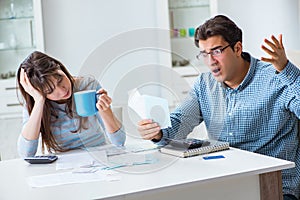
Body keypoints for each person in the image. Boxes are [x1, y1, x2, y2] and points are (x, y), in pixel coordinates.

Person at [138, 15, 300, 200]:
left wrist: (286, 69)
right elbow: (179, 122)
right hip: (225, 182)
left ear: (237, 48)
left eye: (216, 51)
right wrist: (157, 132)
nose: (210, 61)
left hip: (272, 187)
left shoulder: (276, 77)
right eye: (204, 53)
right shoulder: (204, 84)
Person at [17, 51, 125, 157]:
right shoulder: (35, 104)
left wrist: (105, 110)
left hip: (98, 155)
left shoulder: (88, 86)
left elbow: (119, 142)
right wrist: (39, 101)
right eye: (50, 91)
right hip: (63, 162)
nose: (62, 90)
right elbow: (26, 153)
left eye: (59, 79)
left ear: (59, 68)